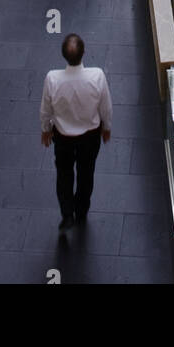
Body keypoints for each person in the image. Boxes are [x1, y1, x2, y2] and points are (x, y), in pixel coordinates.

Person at [40, 33, 112, 232]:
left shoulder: (52, 79)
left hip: (62, 137)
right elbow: (106, 106)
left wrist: (46, 129)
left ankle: (66, 213)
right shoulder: (97, 76)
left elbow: (46, 109)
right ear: (84, 53)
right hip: (90, 136)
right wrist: (106, 127)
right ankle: (81, 210)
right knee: (86, 172)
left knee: (64, 173)